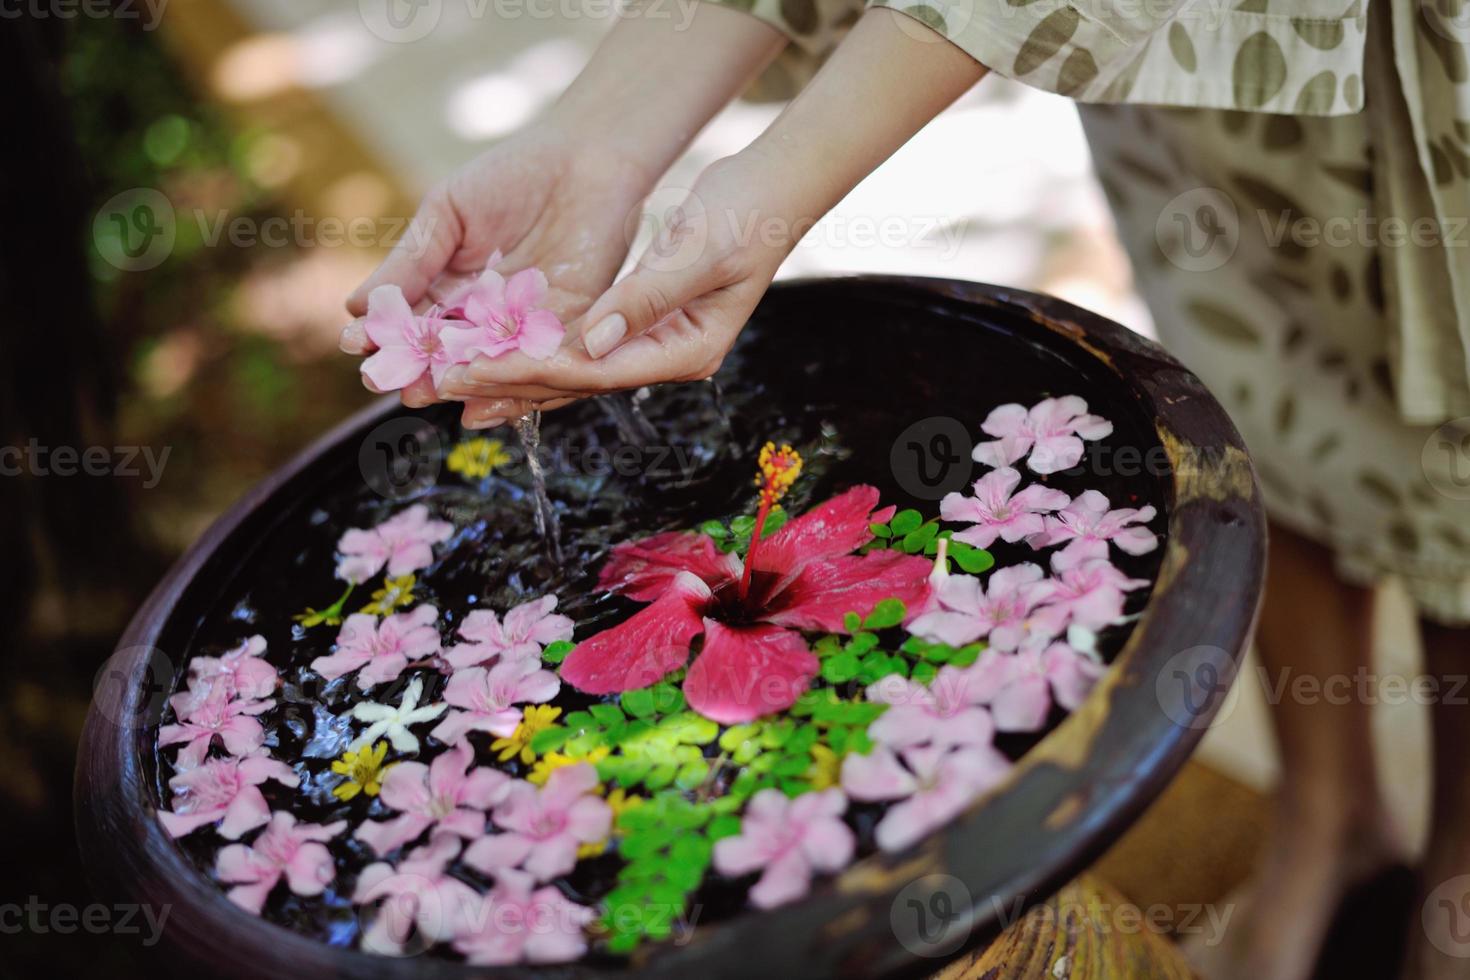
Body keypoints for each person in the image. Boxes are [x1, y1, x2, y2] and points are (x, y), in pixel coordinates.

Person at [340, 2, 1470, 976]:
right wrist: (593, 145)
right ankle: (1332, 816)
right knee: (1263, 382)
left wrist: (771, 189)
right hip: (1181, 64)